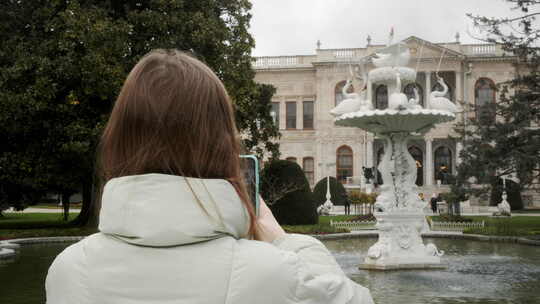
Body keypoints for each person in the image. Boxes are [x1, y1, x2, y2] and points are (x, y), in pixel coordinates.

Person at [45, 50, 374, 304]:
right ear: (223, 145)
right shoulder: (276, 273)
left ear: (118, 138)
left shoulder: (68, 271)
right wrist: (283, 239)